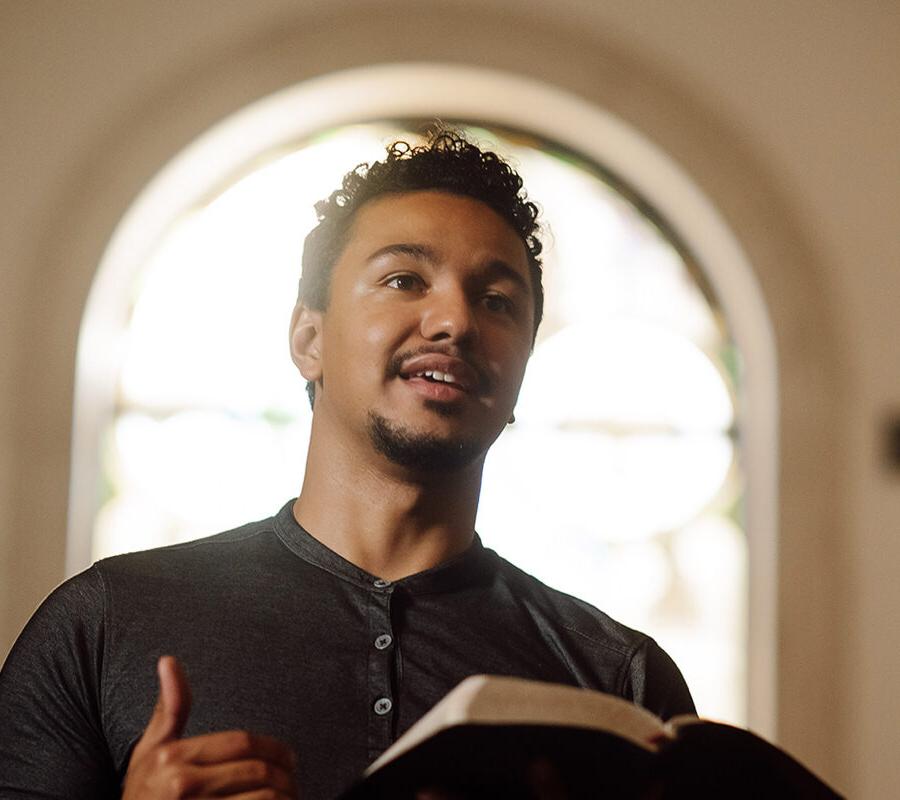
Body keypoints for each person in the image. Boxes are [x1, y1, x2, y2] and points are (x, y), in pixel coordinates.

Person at [0, 131, 695, 799]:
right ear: (308, 339)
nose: (454, 319)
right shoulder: (102, 624)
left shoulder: (616, 681)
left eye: (496, 300)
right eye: (403, 279)